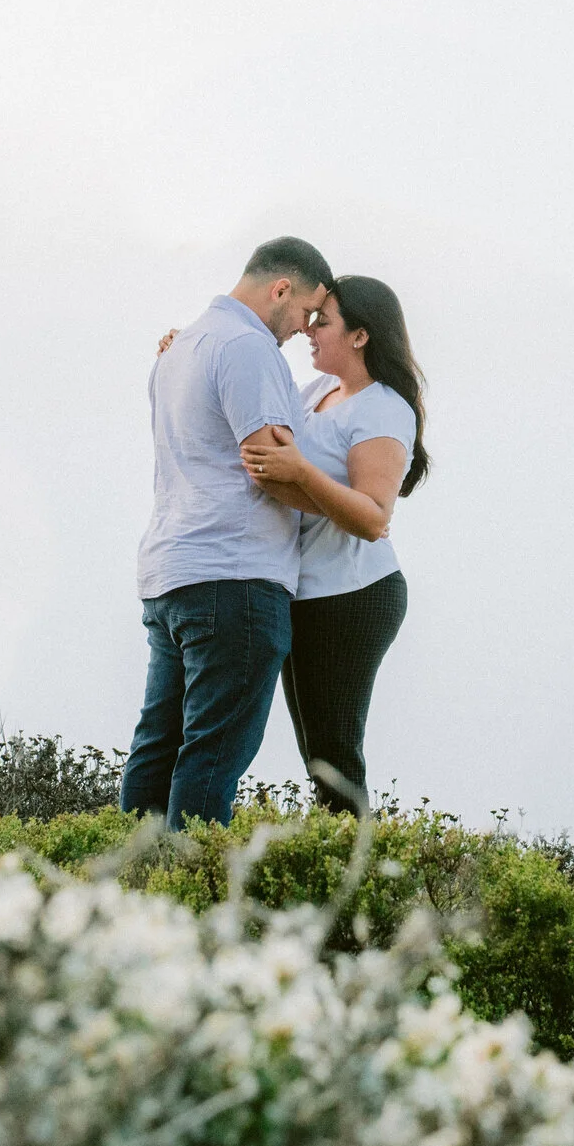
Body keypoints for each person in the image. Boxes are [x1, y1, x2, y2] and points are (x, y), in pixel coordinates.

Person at [120, 235, 334, 829]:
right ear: (281, 289)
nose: (303, 328)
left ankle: (128, 891)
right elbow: (269, 466)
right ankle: (190, 902)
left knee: (159, 748)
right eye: (305, 312)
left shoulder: (181, 347)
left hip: (173, 572)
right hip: (234, 578)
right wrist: (355, 510)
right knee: (212, 758)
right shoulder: (248, 346)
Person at [237, 275, 428, 816]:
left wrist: (300, 470)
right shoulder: (316, 393)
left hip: (353, 595)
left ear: (361, 335)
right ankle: (337, 871)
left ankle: (355, 882)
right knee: (318, 756)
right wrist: (194, 349)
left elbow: (372, 517)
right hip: (304, 592)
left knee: (335, 757)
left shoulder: (384, 408)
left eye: (324, 322)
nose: (310, 331)